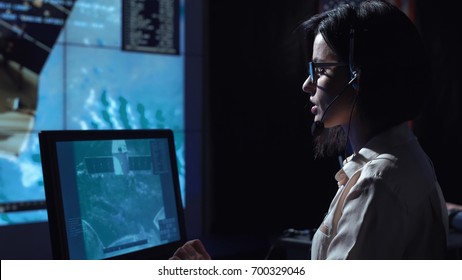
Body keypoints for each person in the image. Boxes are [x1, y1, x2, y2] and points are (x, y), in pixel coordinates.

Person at [170, 0, 449, 260]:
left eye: (321, 70)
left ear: (360, 76)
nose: (307, 84)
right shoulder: (404, 160)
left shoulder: (378, 185)